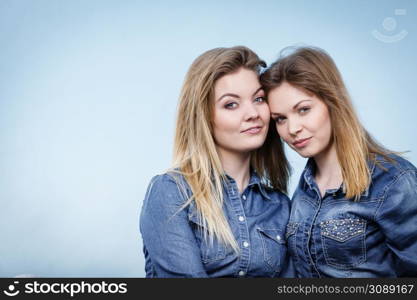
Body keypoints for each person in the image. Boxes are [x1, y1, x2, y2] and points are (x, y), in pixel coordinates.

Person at [260, 46, 417, 277]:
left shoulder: (393, 181)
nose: (292, 129)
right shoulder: (304, 190)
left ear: (332, 103)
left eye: (303, 110)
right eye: (281, 119)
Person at [140, 46, 293, 277]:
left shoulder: (279, 205)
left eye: (259, 99)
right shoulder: (172, 192)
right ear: (204, 117)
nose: (253, 113)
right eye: (231, 104)